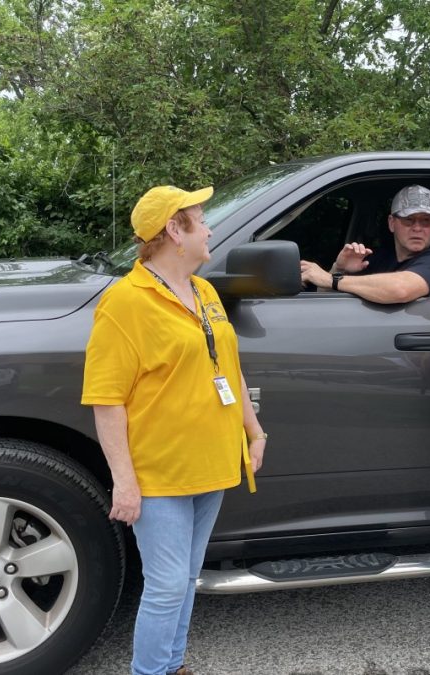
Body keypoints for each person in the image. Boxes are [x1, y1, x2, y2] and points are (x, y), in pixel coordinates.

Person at [81, 185, 267, 675]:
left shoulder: (203, 291)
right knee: (165, 584)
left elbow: (228, 364)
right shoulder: (125, 303)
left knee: (186, 579)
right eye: (200, 220)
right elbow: (107, 400)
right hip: (160, 471)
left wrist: (254, 429)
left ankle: (173, 665)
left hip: (212, 461)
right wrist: (124, 480)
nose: (209, 229)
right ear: (173, 231)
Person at [299, 184, 430, 303]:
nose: (417, 228)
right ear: (392, 223)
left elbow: (400, 289)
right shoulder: (375, 258)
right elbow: (325, 298)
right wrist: (339, 269)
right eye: (408, 220)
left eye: (426, 221)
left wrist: (329, 279)